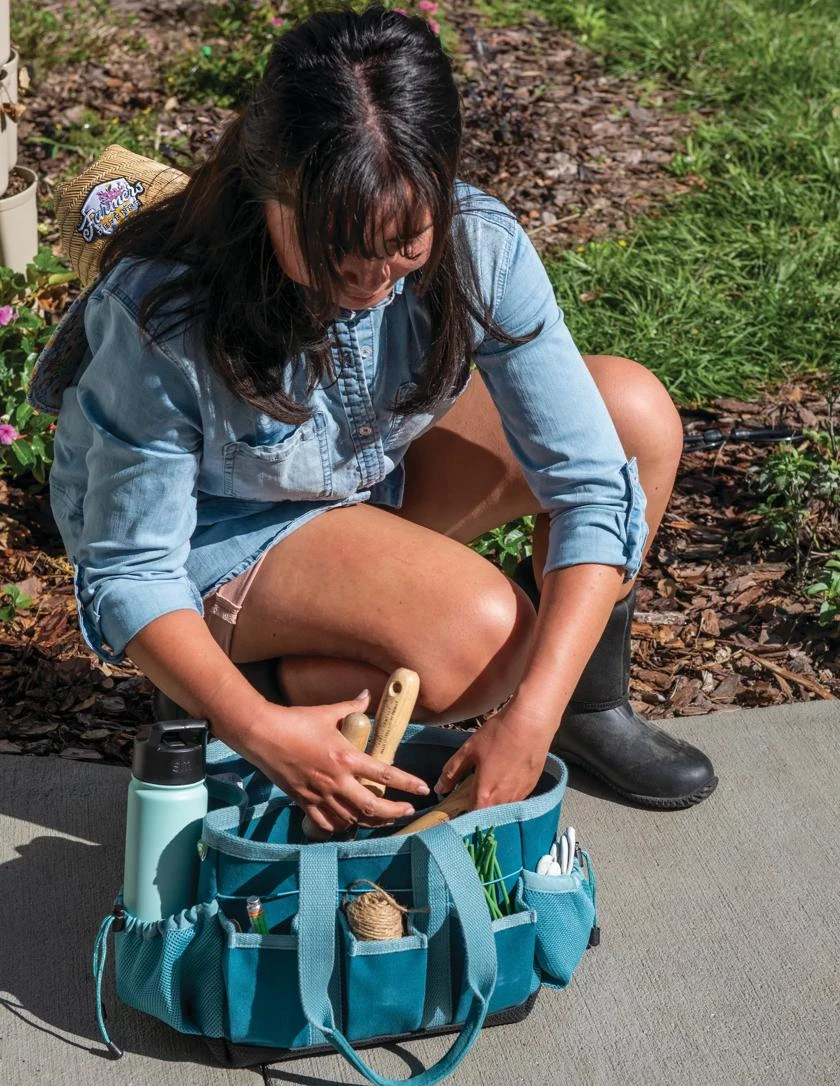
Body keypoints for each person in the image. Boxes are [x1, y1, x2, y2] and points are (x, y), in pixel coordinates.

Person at [38, 5, 716, 835]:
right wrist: (263, 736)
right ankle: (235, 691)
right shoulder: (167, 313)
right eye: (336, 252)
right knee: (486, 640)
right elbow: (129, 570)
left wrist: (534, 715)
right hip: (215, 536)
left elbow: (591, 486)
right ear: (268, 191)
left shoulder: (479, 243)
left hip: (361, 476)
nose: (372, 279)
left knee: (632, 418)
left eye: (404, 246)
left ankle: (583, 707)